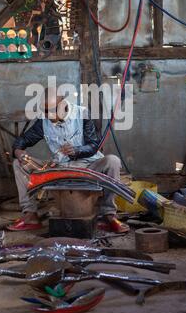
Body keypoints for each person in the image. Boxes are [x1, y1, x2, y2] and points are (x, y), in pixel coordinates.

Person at [7, 88, 129, 234]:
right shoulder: (44, 120)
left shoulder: (82, 114)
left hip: (88, 166)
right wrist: (18, 151)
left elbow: (93, 145)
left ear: (63, 105)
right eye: (44, 111)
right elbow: (24, 140)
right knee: (19, 164)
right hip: (59, 167)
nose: (47, 115)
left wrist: (77, 150)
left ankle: (108, 215)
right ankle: (30, 215)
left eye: (50, 110)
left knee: (113, 161)